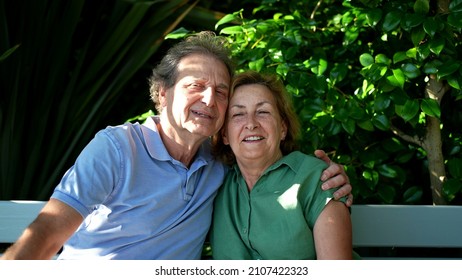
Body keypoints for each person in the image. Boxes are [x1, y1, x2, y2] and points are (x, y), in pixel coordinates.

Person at [0, 32, 351, 260]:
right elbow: (45, 233)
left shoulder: (217, 165)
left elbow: (265, 158)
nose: (210, 98)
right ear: (163, 93)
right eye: (196, 85)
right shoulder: (117, 149)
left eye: (221, 90)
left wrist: (330, 177)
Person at [210, 71, 352, 259]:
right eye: (238, 114)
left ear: (283, 128)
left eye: (263, 112)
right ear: (224, 135)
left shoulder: (319, 179)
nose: (251, 124)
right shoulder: (213, 183)